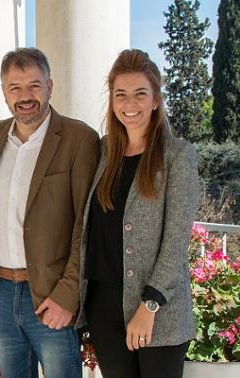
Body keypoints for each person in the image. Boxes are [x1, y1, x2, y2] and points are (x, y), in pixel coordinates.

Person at [78, 49, 198, 378]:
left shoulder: (177, 156)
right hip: (104, 306)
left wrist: (149, 306)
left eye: (140, 93)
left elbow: (176, 241)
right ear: (113, 101)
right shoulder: (103, 152)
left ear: (156, 99)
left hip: (158, 311)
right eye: (121, 94)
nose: (130, 104)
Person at [0, 47, 100, 378]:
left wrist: (68, 294)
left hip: (51, 295)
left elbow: (86, 225)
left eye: (34, 85)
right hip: (0, 294)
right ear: (3, 92)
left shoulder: (79, 139)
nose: (25, 96)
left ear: (50, 86)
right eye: (15, 87)